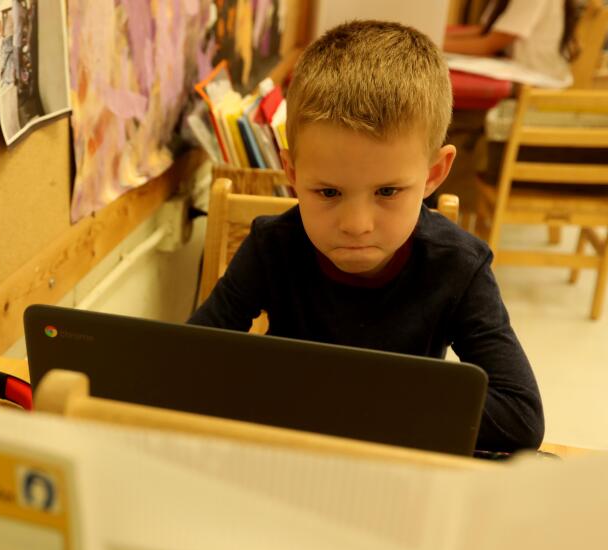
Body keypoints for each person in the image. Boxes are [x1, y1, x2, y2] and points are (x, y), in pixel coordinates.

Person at [188, 20, 544, 453]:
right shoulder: (272, 247)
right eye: (329, 192)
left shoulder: (458, 267)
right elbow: (190, 360)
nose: (356, 224)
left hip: (392, 472)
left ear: (434, 174)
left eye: (388, 192)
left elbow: (520, 417)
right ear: (293, 174)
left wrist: (339, 400)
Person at [444, 0, 580, 87]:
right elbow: (485, 30)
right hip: (522, 72)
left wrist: (433, 44)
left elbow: (489, 45)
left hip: (536, 83)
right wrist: (435, 36)